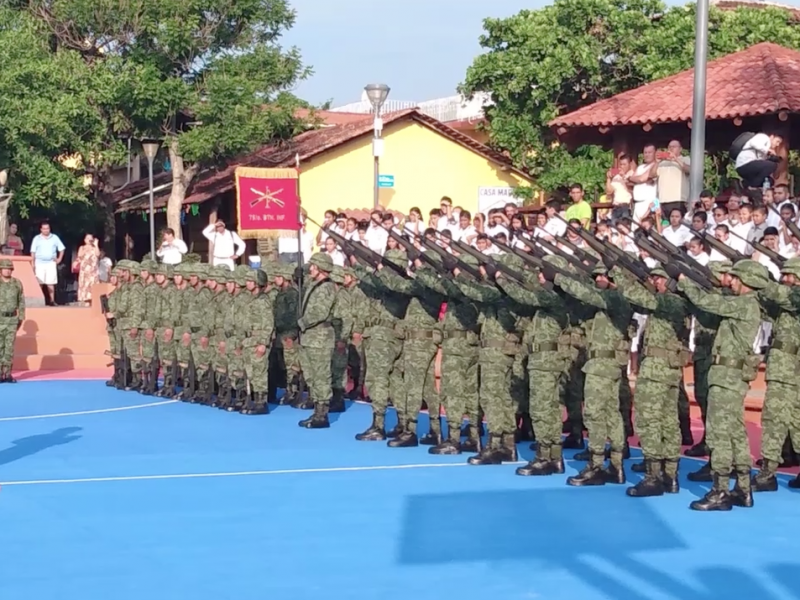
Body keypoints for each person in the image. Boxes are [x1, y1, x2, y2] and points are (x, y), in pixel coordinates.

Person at [678, 259, 769, 511]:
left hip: (726, 376)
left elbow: (708, 302)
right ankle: (742, 488)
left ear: (747, 282)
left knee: (719, 433)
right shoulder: (747, 305)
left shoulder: (744, 304)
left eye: (736, 278)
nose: (732, 282)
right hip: (730, 375)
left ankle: (720, 491)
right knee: (736, 433)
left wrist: (686, 284)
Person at [297, 252, 337, 429]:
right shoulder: (314, 284)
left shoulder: (327, 287)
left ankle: (322, 414)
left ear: (320, 268)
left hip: (320, 337)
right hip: (309, 337)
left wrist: (303, 322)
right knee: (311, 375)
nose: (310, 268)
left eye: (313, 266)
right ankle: (316, 409)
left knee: (321, 375)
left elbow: (319, 312)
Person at [0, 258, 24, 382]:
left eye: (9, 269)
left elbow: (21, 301)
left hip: (11, 319)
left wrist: (21, 317)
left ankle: (7, 373)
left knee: (9, 348)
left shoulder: (17, 283)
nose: (7, 271)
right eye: (5, 268)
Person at [30, 222, 65, 305]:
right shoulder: (36, 238)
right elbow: (33, 252)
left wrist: (59, 259)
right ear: (41, 229)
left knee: (50, 283)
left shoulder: (54, 238)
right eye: (44, 228)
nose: (46, 230)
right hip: (39, 263)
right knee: (39, 283)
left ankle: (52, 300)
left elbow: (62, 249)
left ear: (50, 229)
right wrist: (33, 263)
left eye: (47, 228)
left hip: (50, 263)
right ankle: (39, 301)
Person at [76, 234, 100, 306]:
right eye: (87, 238)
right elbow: (80, 255)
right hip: (84, 271)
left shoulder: (94, 247)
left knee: (93, 285)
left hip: (93, 271)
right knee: (85, 285)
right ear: (85, 240)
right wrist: (87, 248)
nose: (89, 240)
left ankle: (93, 300)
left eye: (91, 238)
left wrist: (96, 245)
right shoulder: (82, 247)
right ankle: (85, 300)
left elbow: (98, 254)